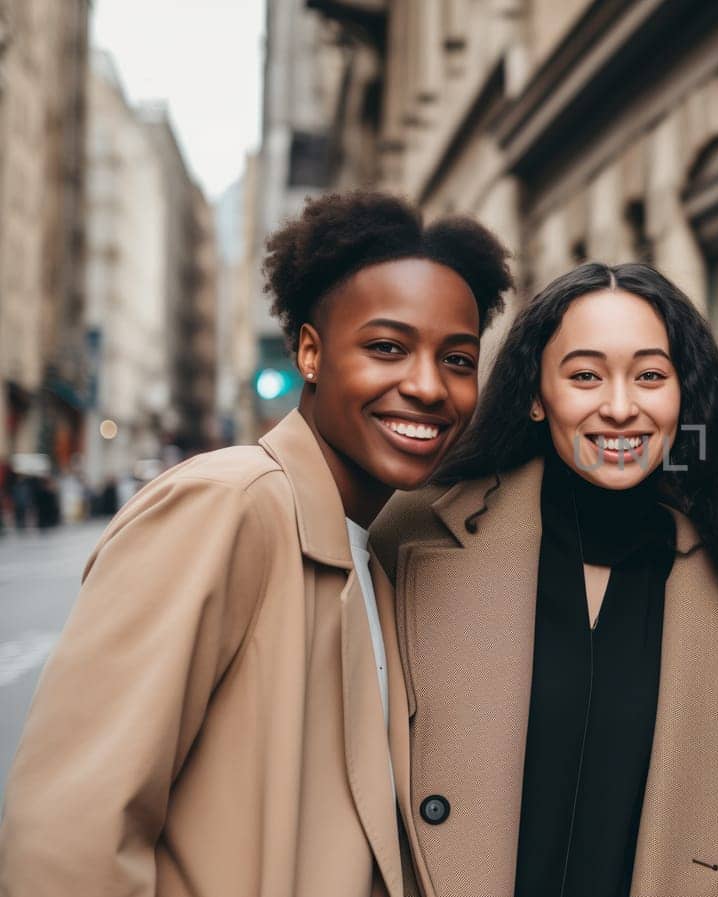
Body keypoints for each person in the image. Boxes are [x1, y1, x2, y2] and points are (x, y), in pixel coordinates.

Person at [0, 190, 511, 897]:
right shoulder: (228, 505)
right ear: (309, 350)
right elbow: (68, 835)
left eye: (457, 359)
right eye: (387, 347)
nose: (428, 386)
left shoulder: (374, 551)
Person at [369, 262, 718, 897]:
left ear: (685, 394)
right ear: (537, 395)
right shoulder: (413, 536)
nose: (620, 408)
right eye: (585, 376)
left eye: (650, 376)